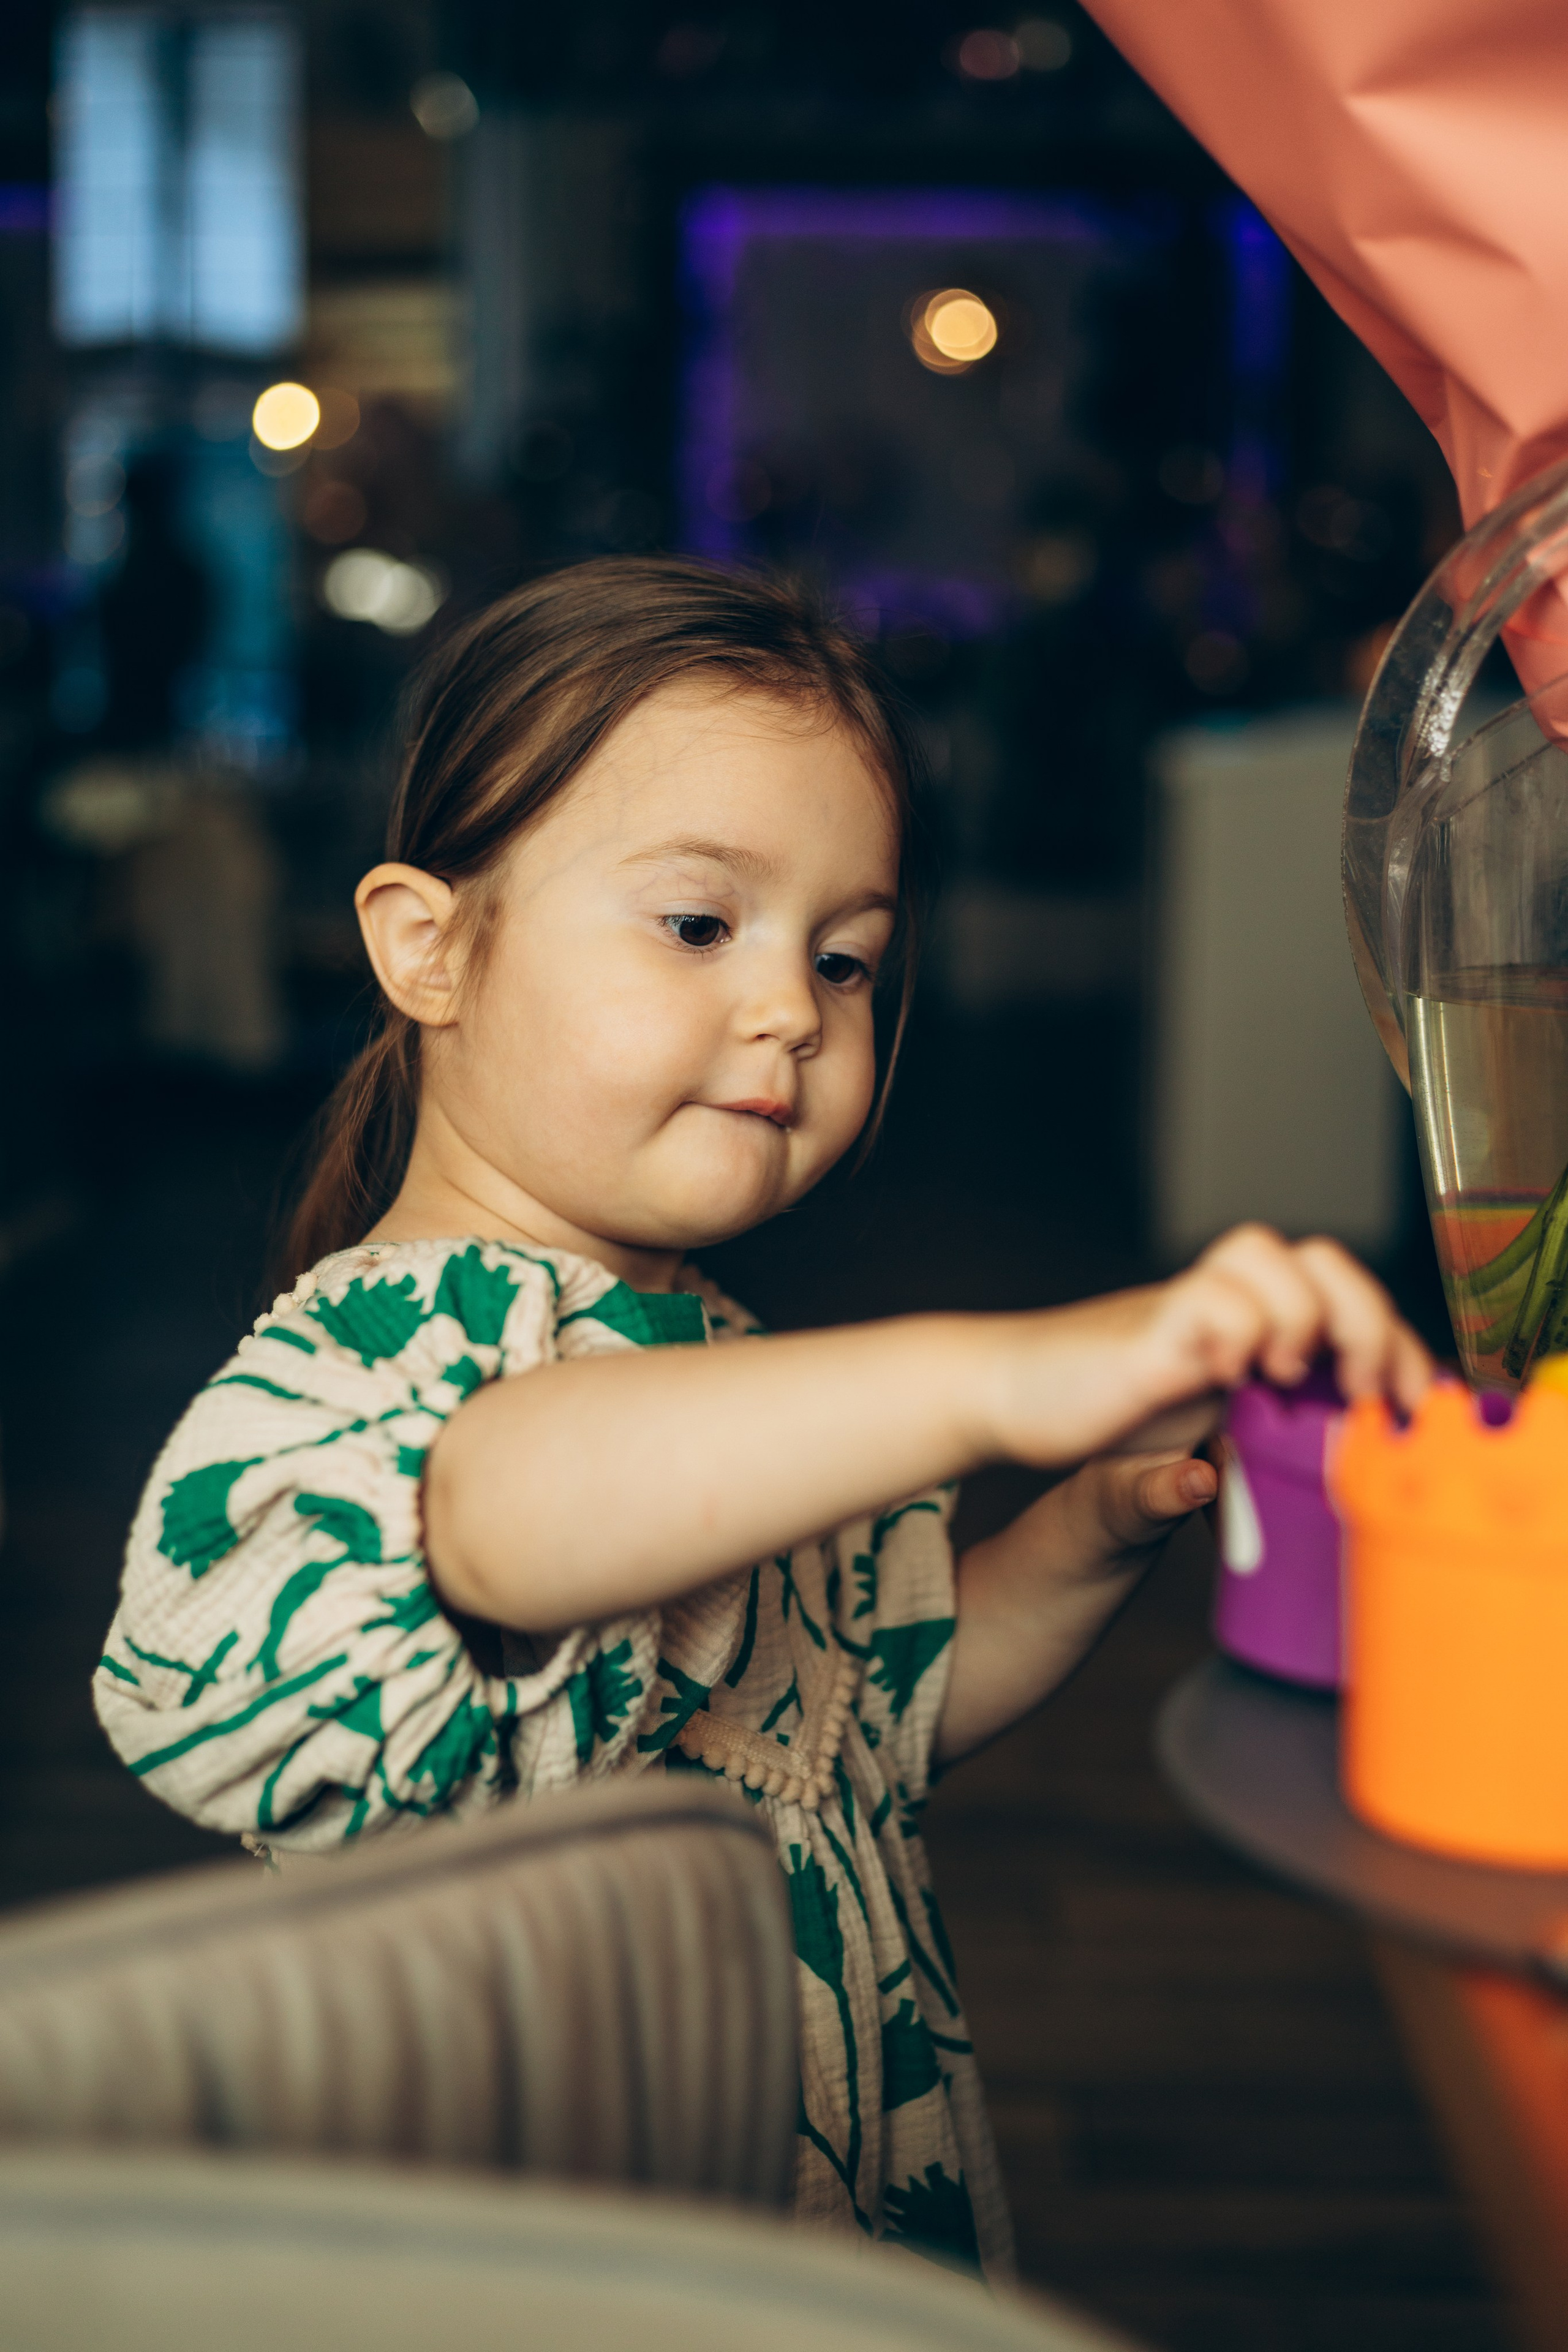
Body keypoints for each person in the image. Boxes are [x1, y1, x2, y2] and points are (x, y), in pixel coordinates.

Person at [96, 557, 1431, 2275]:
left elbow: (869, 1717)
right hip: (588, 2268)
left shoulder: (708, 1359)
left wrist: (1085, 1532)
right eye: (701, 924)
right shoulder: (376, 1367)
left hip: (824, 2195)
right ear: (428, 949)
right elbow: (495, 1506)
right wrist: (997, 1371)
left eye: (851, 958)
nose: (793, 1005)